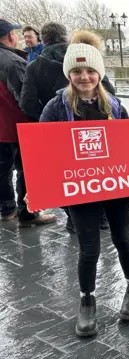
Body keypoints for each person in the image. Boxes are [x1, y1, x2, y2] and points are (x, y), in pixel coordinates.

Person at [38, 30, 129, 337]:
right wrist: (38, 185)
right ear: (69, 74)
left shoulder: (115, 107)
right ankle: (87, 300)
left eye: (90, 71)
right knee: (88, 247)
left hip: (114, 185)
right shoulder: (56, 108)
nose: (84, 77)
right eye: (78, 71)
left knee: (123, 237)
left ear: (99, 73)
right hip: (79, 187)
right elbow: (42, 149)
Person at [19, 21, 112, 232]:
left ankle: (74, 218)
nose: (84, 76)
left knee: (70, 179)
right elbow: (110, 95)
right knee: (96, 177)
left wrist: (49, 124)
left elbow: (27, 102)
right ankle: (100, 218)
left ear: (44, 39)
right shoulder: (90, 67)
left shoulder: (35, 66)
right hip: (96, 139)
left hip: (60, 139)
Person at [0, 19, 56, 227]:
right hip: (17, 126)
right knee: (27, 170)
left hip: (2, 128)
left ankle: (7, 209)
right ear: (11, 37)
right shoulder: (12, 62)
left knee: (2, 169)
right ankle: (28, 213)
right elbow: (26, 99)